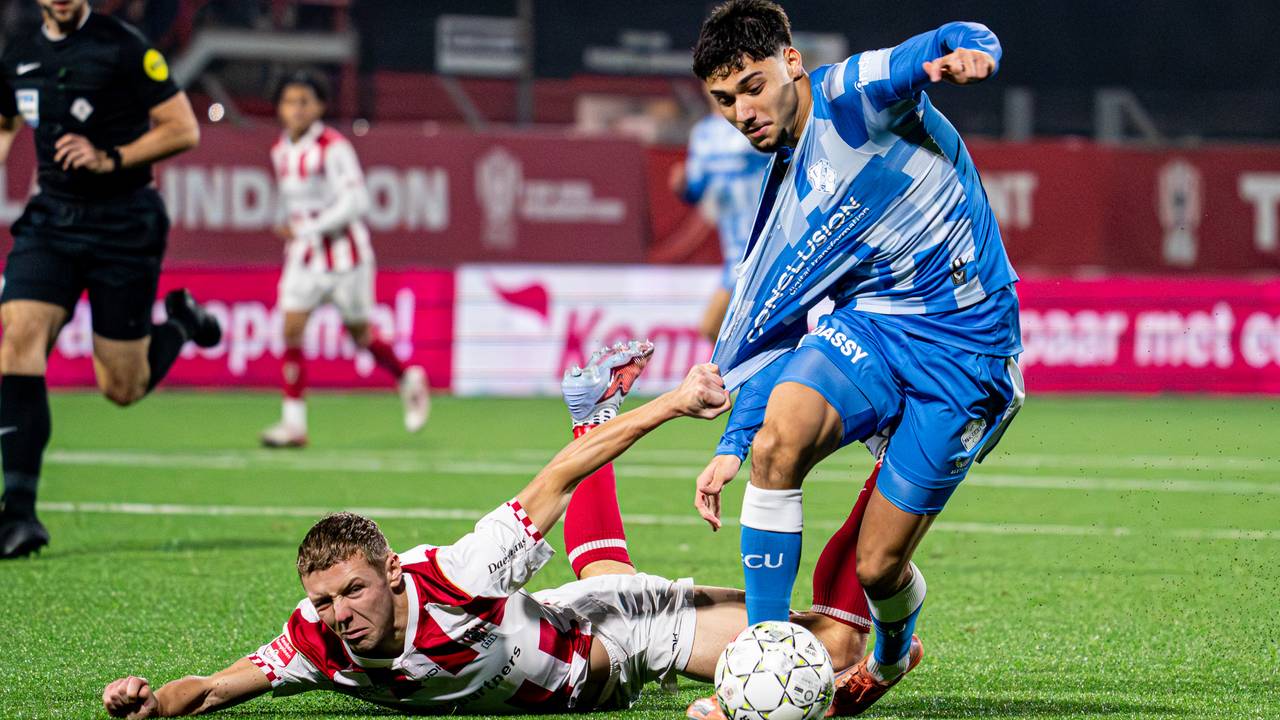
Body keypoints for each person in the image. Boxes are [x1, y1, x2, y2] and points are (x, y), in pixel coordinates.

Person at [101, 344, 879, 718]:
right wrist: (152, 703)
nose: (340, 613)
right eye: (325, 600)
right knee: (600, 574)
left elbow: (558, 481)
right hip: (566, 620)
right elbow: (212, 688)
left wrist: (673, 404)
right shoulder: (318, 639)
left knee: (833, 649)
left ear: (391, 572)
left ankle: (892, 474)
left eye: (353, 591)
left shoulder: (458, 575)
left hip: (632, 638)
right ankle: (590, 409)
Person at [688, 1, 1026, 714]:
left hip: (964, 346)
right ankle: (761, 665)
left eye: (752, 87)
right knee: (778, 443)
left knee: (878, 568)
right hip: (873, 326)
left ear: (791, 62)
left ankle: (892, 655)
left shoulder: (853, 93)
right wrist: (736, 442)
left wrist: (972, 53)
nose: (742, 112)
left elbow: (942, 42)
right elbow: (777, 322)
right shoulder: (788, 184)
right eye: (724, 100)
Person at [0, 0, 221, 559]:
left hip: (123, 223)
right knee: (18, 340)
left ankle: (180, 323)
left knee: (122, 387)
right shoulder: (18, 51)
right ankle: (18, 514)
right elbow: (5, 123)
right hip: (51, 221)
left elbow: (183, 128)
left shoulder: (122, 46)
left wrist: (110, 157)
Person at [259, 70, 429, 448]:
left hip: (345, 258)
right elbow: (298, 202)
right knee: (291, 329)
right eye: (289, 101)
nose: (296, 109)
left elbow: (357, 202)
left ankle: (407, 377)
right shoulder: (280, 150)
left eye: (304, 101)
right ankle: (293, 424)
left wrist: (308, 226)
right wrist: (292, 225)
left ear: (320, 107)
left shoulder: (334, 148)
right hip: (304, 257)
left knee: (360, 334)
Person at [669, 102, 770, 341]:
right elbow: (695, 188)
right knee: (724, 331)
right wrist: (682, 187)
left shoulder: (757, 120)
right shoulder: (703, 133)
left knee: (713, 326)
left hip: (761, 242)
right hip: (733, 249)